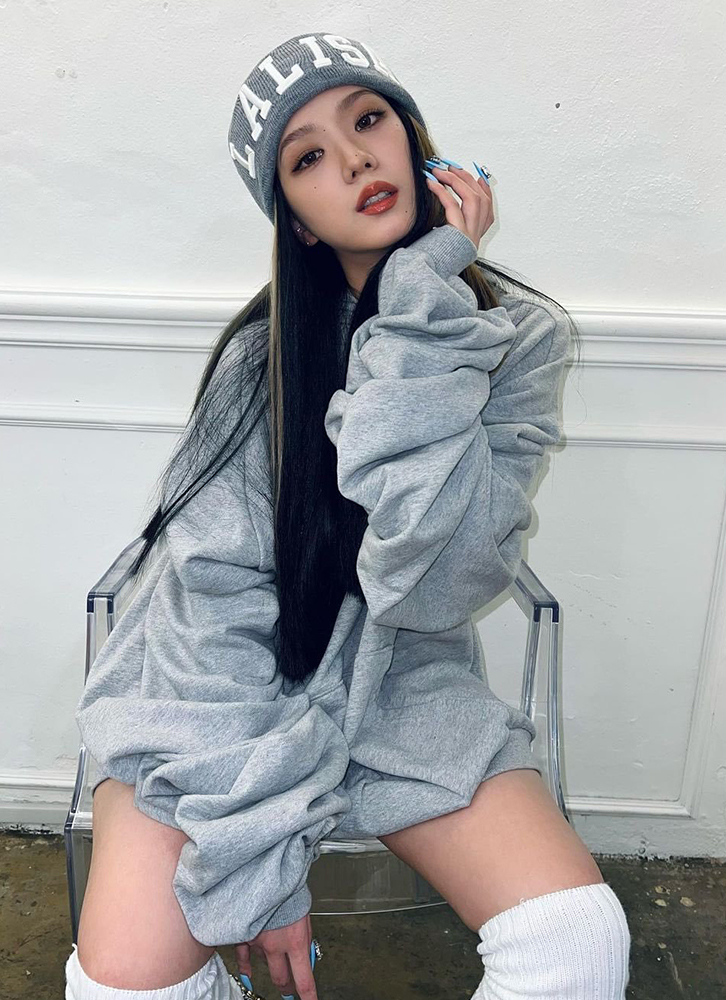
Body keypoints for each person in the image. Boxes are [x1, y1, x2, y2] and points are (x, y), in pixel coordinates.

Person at [64, 30, 631, 1000]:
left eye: (368, 121)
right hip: (221, 688)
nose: (357, 160)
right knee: (121, 985)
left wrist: (424, 307)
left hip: (401, 677)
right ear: (296, 220)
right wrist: (258, 846)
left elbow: (440, 584)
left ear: (414, 138)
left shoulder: (516, 338)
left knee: (576, 939)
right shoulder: (262, 361)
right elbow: (210, 602)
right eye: (309, 157)